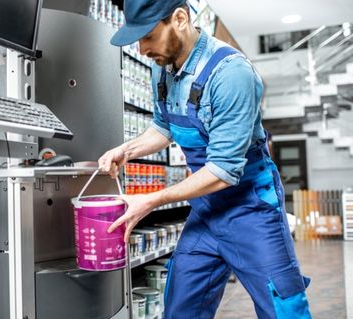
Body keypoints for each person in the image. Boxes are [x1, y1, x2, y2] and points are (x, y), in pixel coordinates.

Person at [98, 0, 312, 318]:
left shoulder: (232, 74)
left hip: (251, 209)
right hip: (207, 211)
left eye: (148, 36)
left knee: (283, 306)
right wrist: (125, 151)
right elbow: (164, 126)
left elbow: (224, 170)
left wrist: (152, 200)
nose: (142, 49)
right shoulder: (162, 66)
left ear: (180, 19)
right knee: (182, 305)